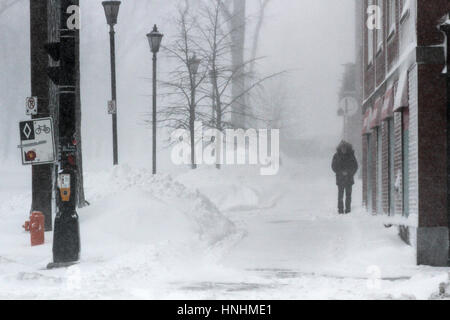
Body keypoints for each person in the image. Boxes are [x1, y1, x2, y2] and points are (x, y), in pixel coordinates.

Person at [332, 141, 358, 214]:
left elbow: (355, 166)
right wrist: (341, 172)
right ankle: (340, 210)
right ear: (340, 148)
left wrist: (349, 173)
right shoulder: (336, 156)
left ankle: (348, 209)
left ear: (347, 148)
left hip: (349, 179)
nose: (344, 149)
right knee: (340, 195)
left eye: (345, 148)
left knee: (348, 195)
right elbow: (333, 167)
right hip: (340, 179)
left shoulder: (351, 156)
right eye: (342, 148)